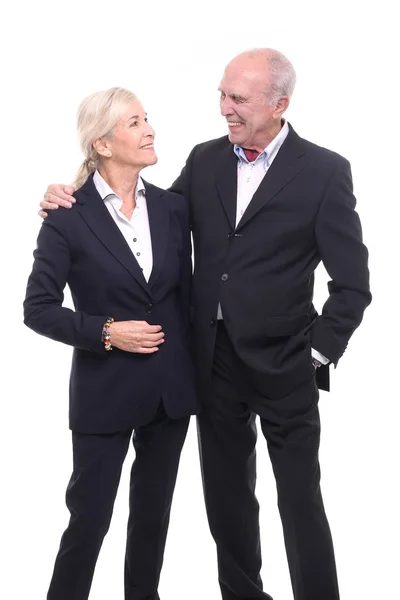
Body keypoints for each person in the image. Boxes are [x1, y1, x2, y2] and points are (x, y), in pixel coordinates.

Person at [39, 49, 372, 600]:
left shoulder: (324, 172)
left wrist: (315, 354)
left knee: (300, 502)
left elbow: (354, 284)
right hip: (211, 363)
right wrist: (70, 195)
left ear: (279, 104)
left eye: (237, 99)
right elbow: (145, 214)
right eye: (222, 94)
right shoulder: (207, 159)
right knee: (227, 499)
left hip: (287, 364)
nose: (224, 108)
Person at [25, 86, 199, 600]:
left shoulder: (173, 207)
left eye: (148, 119)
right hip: (105, 392)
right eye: (134, 123)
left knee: (152, 519)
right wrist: (105, 331)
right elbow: (38, 309)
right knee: (89, 522)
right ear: (101, 143)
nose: (149, 130)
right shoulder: (68, 216)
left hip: (170, 391)